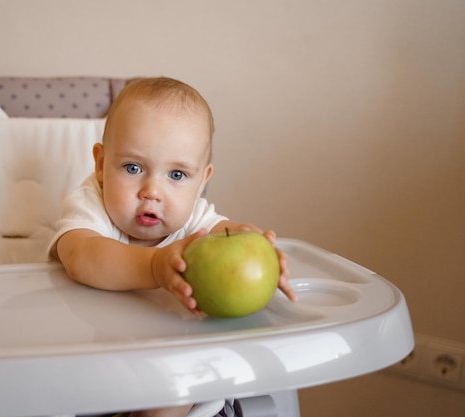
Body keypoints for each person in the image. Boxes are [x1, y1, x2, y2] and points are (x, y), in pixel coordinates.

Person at [47, 77, 296, 417]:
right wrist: (154, 266)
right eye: (133, 168)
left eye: (177, 175)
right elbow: (81, 256)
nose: (152, 190)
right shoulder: (91, 205)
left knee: (174, 391)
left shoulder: (195, 219)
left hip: (172, 368)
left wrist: (258, 250)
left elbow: (225, 232)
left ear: (202, 181)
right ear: (102, 166)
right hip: (89, 374)